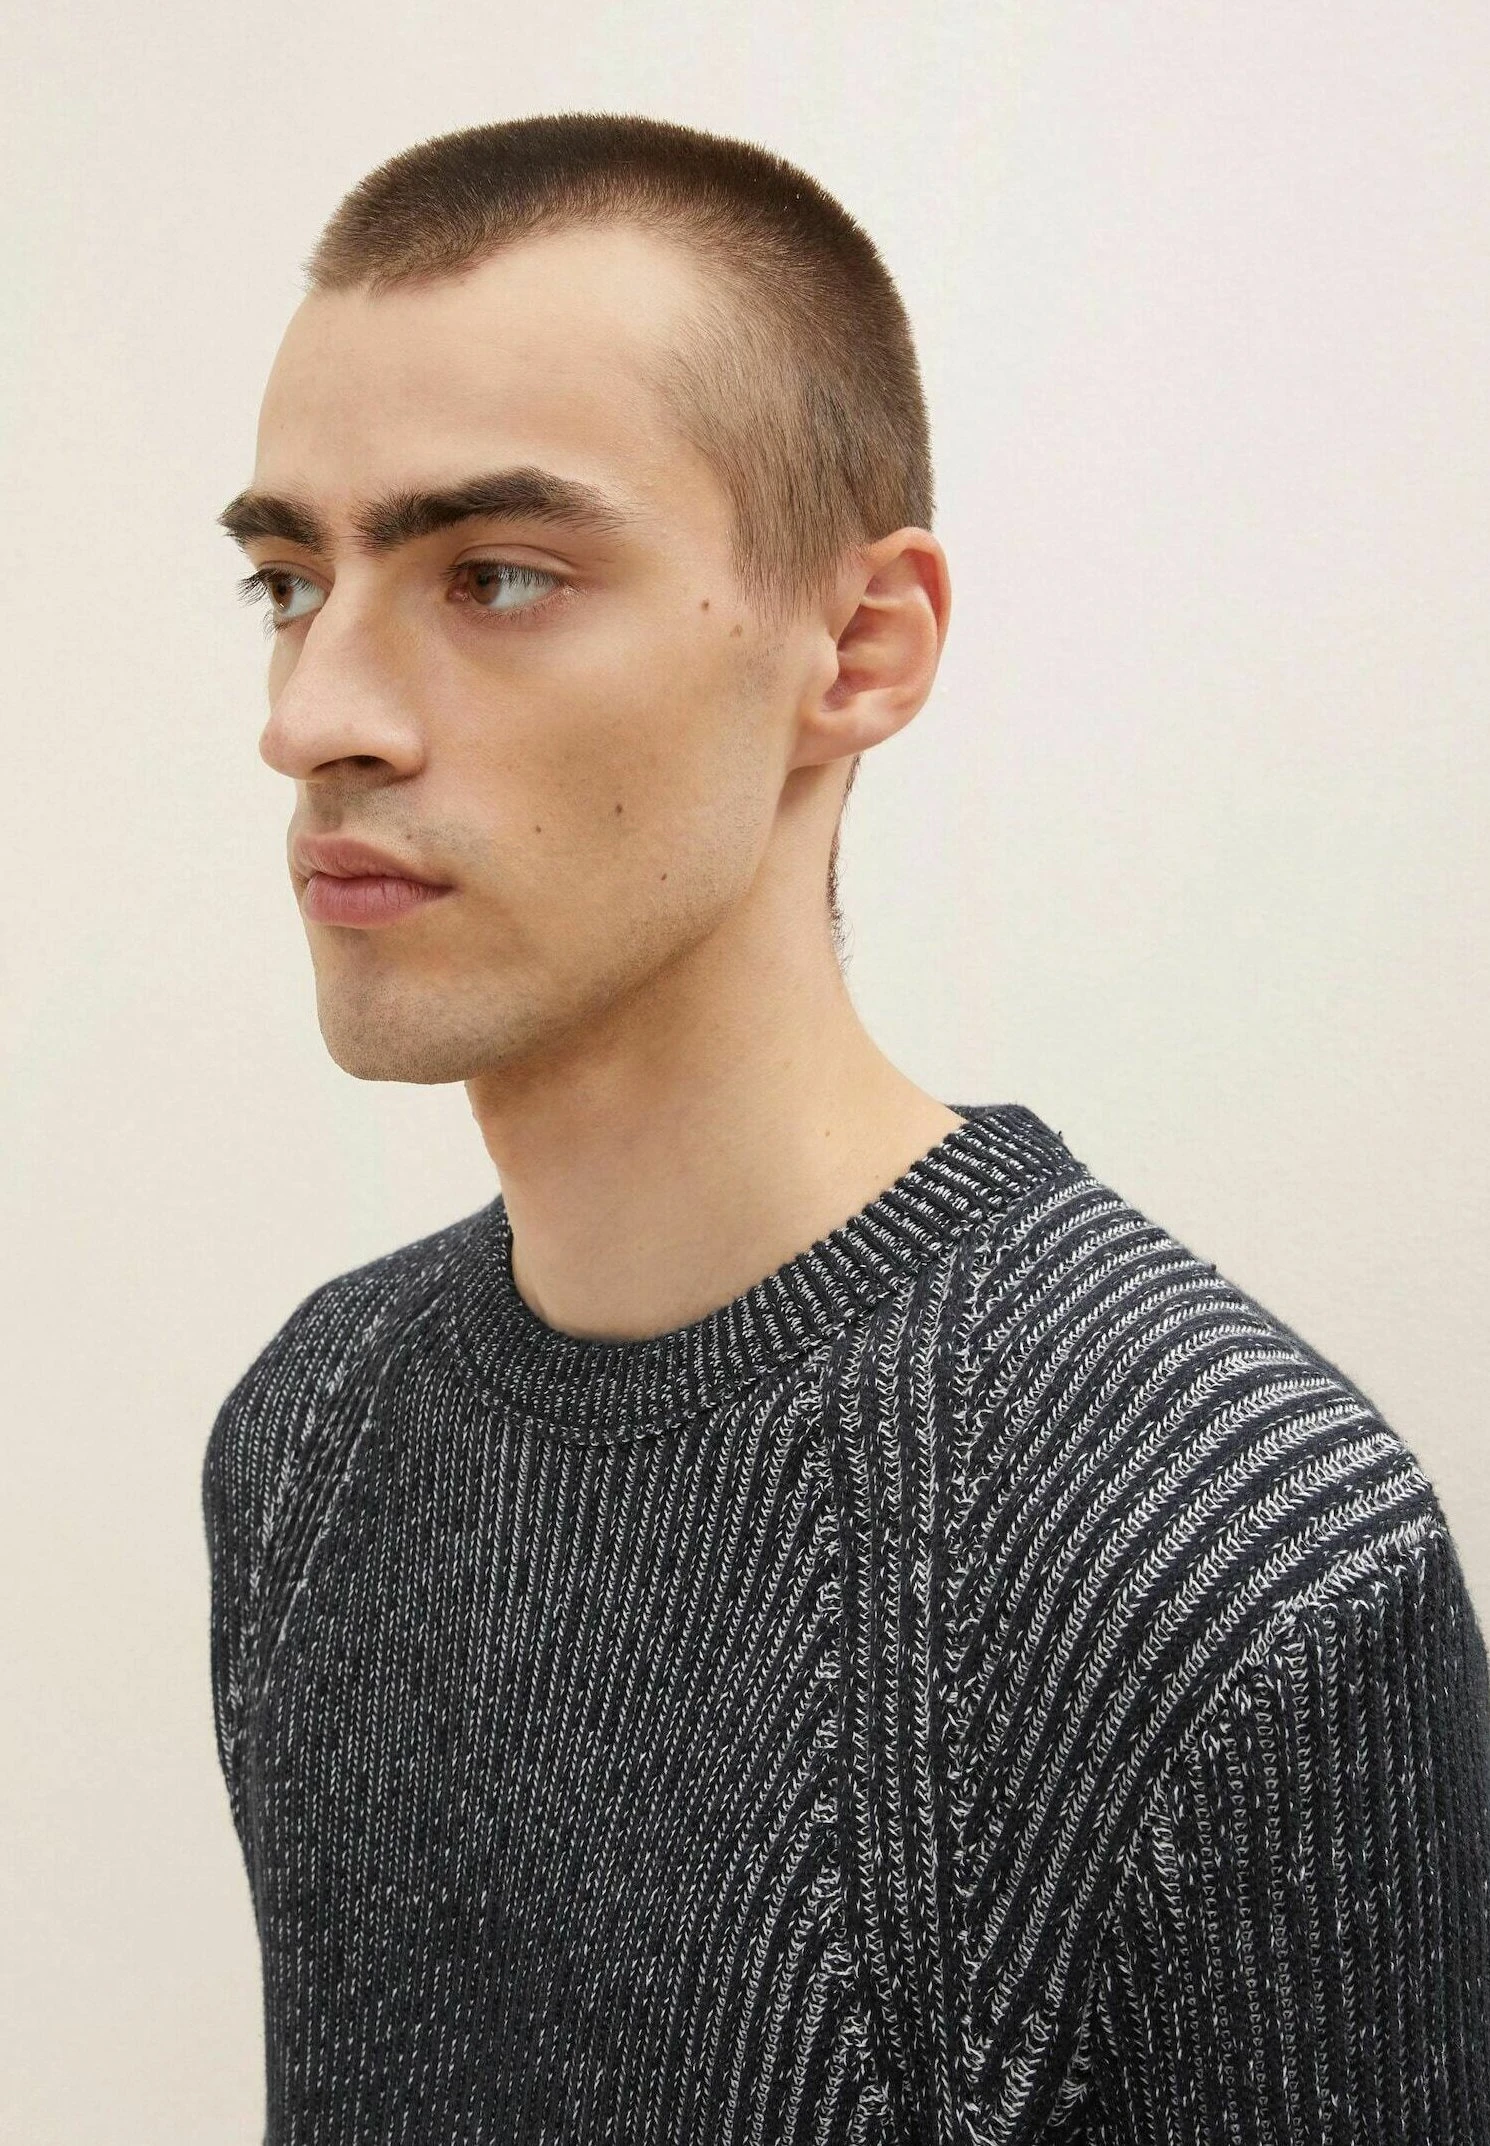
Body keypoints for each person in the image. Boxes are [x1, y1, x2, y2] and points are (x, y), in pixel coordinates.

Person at [203, 113, 1490, 2145]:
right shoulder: (319, 1428)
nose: (312, 717)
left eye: (498, 575)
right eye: (290, 578)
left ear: (861, 649)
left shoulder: (1227, 1555)